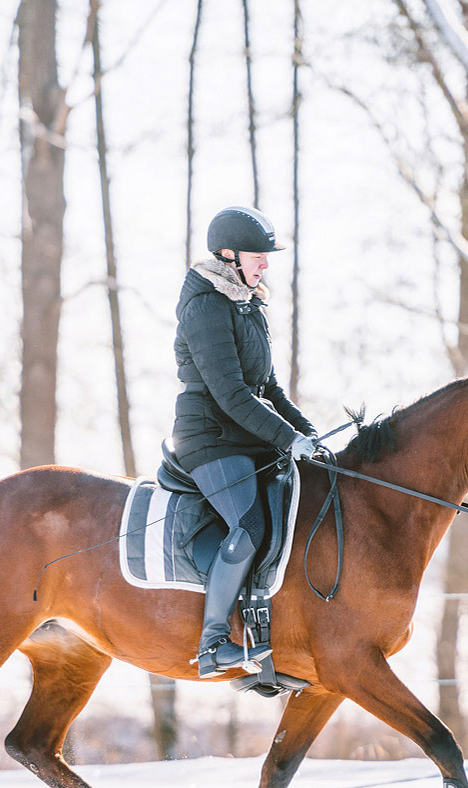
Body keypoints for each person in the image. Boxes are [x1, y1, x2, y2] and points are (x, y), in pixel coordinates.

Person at [172, 206, 318, 677]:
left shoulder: (248, 302)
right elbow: (232, 394)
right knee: (251, 524)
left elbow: (269, 387)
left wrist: (308, 433)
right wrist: (286, 436)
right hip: (210, 437)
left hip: (248, 433)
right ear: (229, 255)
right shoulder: (205, 306)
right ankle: (214, 642)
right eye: (258, 256)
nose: (266, 264)